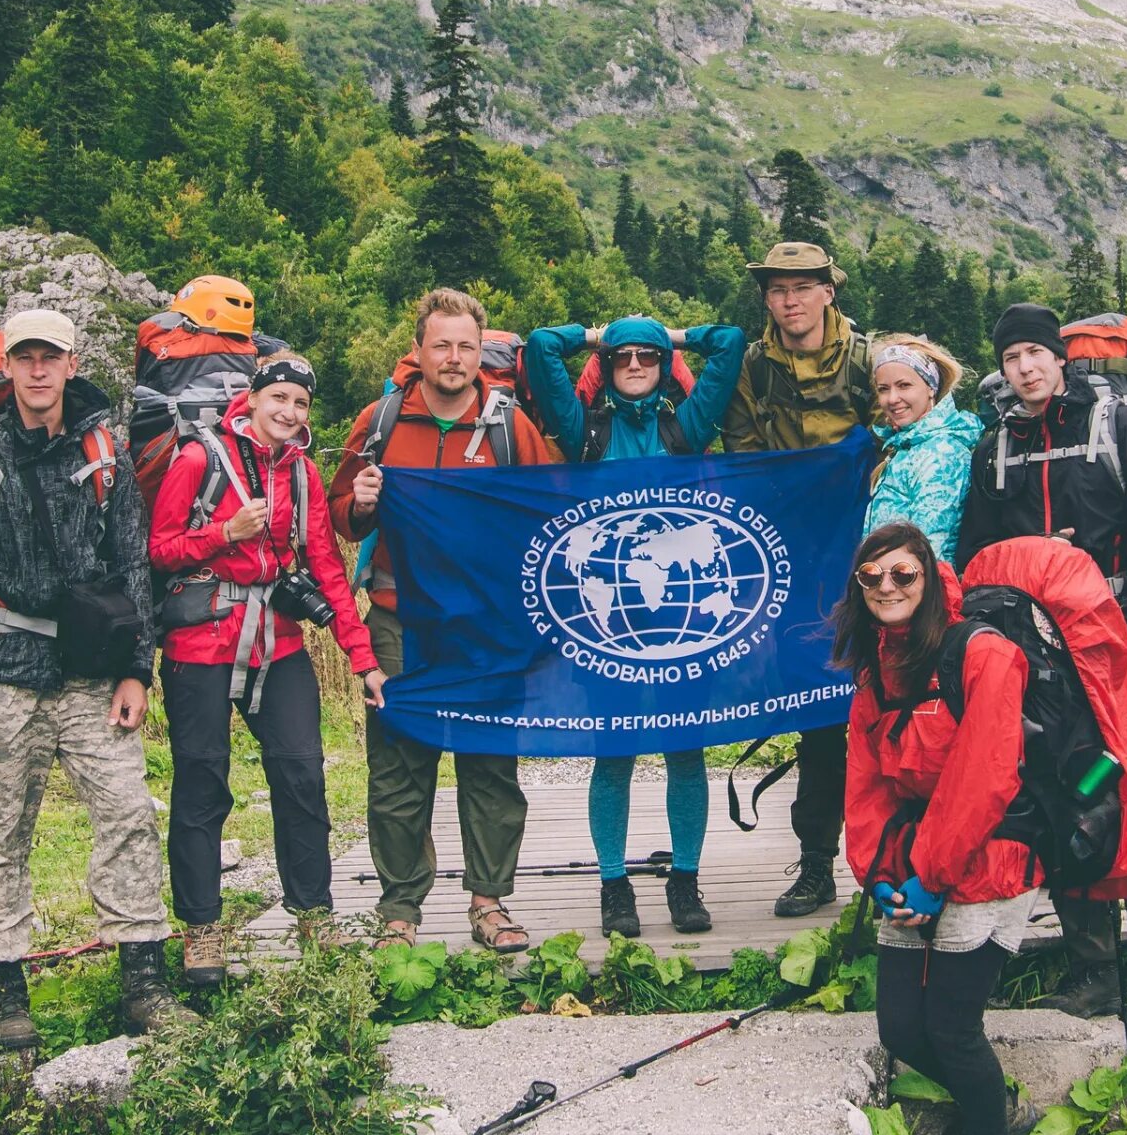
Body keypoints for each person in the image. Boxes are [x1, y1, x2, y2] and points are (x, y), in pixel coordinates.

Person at [0, 308, 187, 1047]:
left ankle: (144, 984)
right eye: (25, 357)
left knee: (127, 814)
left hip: (91, 676)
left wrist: (137, 670)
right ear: (8, 366)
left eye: (50, 357)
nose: (37, 370)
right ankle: (5, 994)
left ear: (70, 364)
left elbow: (133, 566)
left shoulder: (104, 452)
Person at [957, 303, 1127, 1050]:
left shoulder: (1120, 427)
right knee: (1065, 796)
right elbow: (979, 555)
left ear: (1059, 359)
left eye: (1036, 353)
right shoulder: (995, 447)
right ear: (1002, 369)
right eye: (1012, 359)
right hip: (1039, 660)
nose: (1026, 368)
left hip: (1119, 645)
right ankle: (1095, 968)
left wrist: (1120, 624)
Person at [328, 289, 559, 951]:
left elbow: (546, 516)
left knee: (490, 767)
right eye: (441, 345)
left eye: (465, 346)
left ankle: (489, 904)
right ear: (419, 349)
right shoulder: (382, 421)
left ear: (479, 351)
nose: (453, 358)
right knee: (399, 772)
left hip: (487, 634)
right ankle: (400, 910)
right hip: (401, 623)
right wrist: (363, 500)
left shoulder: (510, 427)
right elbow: (342, 517)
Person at [151, 357, 387, 987]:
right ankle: (203, 929)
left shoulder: (304, 474)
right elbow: (160, 548)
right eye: (278, 397)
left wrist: (360, 658)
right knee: (203, 782)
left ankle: (313, 916)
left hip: (277, 643)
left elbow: (328, 569)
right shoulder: (199, 460)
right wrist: (224, 532)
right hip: (202, 641)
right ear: (250, 399)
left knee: (302, 774)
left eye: (301, 403)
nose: (289, 412)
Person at [835, 522, 1041, 1135]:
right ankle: (997, 1110)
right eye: (872, 578)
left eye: (901, 574)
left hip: (989, 858)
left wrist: (932, 878)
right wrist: (881, 878)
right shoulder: (877, 671)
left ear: (928, 576)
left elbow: (981, 780)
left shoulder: (984, 656)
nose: (887, 588)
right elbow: (865, 788)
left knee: (951, 1028)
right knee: (901, 1026)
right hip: (916, 863)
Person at [525, 314, 748, 938]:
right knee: (614, 751)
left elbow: (728, 341)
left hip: (682, 612)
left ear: (661, 364)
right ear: (607, 366)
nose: (634, 365)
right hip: (608, 620)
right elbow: (542, 346)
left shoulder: (686, 425)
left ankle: (685, 879)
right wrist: (598, 337)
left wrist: (669, 337)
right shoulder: (584, 429)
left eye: (645, 357)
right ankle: (613, 884)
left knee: (685, 746)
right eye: (623, 357)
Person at [721, 240, 881, 918]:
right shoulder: (754, 368)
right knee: (819, 715)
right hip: (796, 558)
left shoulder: (870, 360)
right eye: (777, 289)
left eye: (801, 287)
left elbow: (900, 424)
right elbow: (742, 451)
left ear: (827, 292)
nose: (788, 300)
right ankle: (817, 862)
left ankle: (901, 859)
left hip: (871, 553)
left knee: (895, 706)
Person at [860, 335, 983, 567]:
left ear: (930, 388)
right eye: (883, 389)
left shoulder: (941, 452)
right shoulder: (905, 446)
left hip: (915, 593)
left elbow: (927, 547)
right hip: (889, 586)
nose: (892, 399)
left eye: (904, 385)